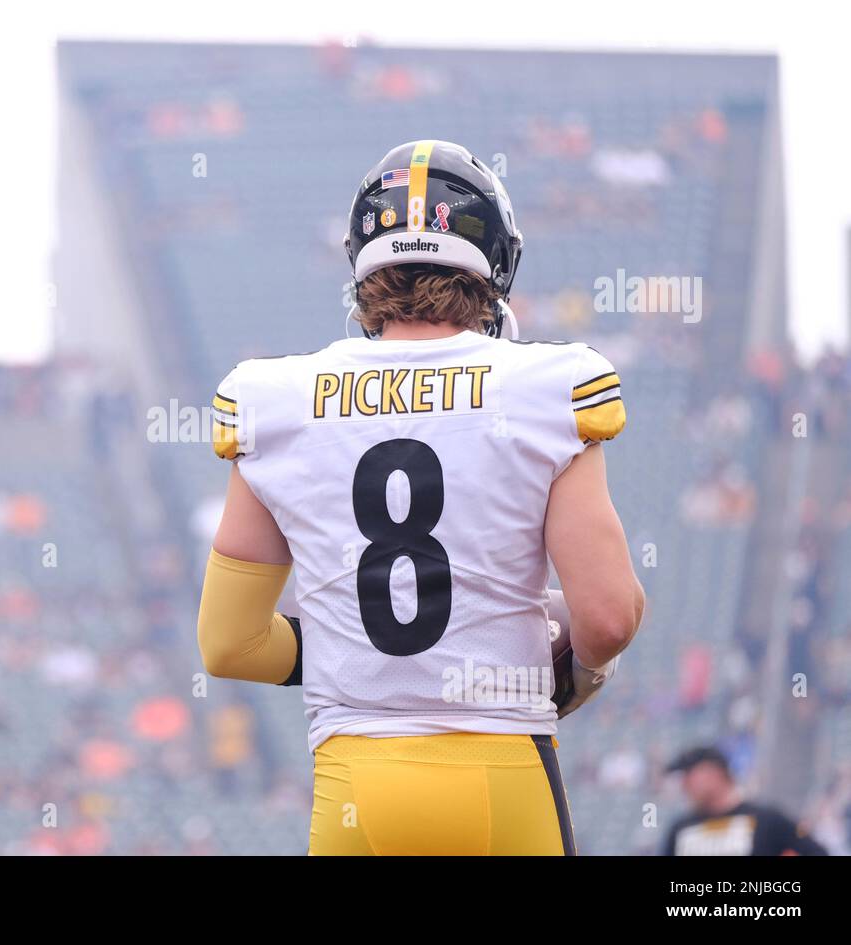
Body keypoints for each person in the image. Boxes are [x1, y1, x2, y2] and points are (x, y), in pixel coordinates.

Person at [196, 140, 644, 855]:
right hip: (503, 772)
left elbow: (228, 643)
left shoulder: (272, 401)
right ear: (493, 260)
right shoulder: (546, 389)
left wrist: (356, 649)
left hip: (356, 781)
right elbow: (609, 617)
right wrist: (572, 670)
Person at [661, 746, 827, 856]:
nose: (684, 785)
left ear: (713, 773)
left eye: (689, 776)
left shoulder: (767, 820)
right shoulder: (680, 829)